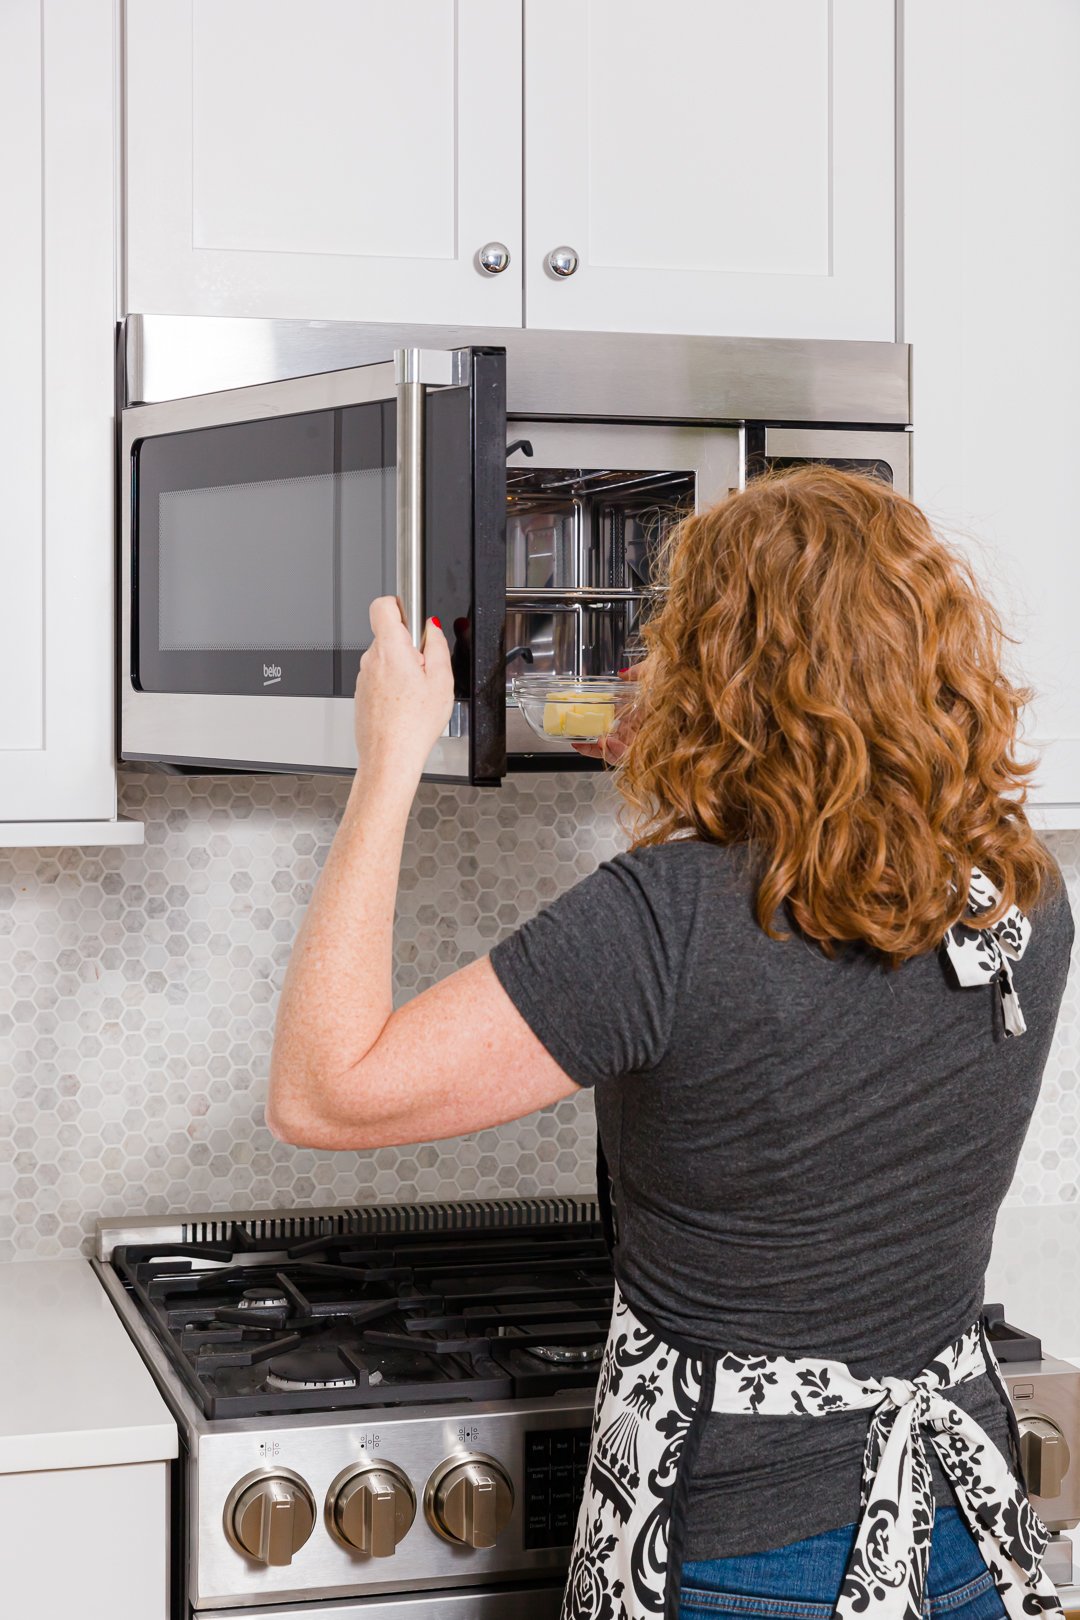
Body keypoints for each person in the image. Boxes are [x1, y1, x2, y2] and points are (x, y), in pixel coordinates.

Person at [267, 466, 1073, 1620]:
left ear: (713, 676)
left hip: (744, 1556)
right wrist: (709, 772)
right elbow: (823, 955)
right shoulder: (1026, 900)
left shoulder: (665, 921)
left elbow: (322, 1094)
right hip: (961, 1527)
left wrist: (388, 762)